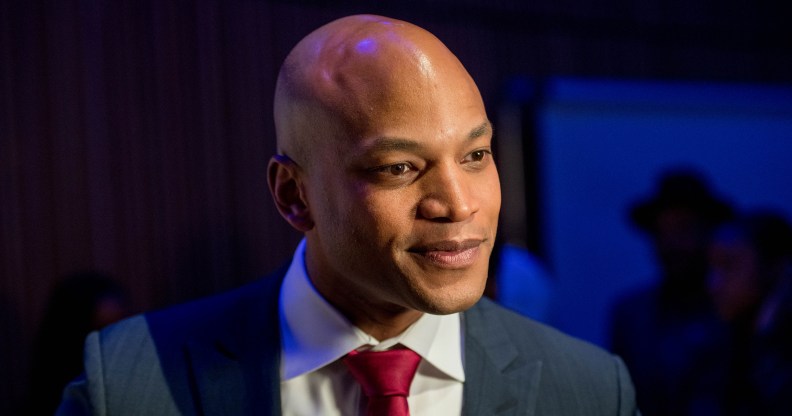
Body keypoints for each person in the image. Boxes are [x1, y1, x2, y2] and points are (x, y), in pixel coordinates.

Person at [57, 15, 638, 415]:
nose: (460, 203)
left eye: (475, 156)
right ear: (293, 194)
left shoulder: (588, 389)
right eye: (399, 168)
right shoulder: (132, 380)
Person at [610, 169, 732, 415]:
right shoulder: (631, 315)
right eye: (661, 232)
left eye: (683, 229)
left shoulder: (732, 310)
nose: (671, 244)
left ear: (707, 233)